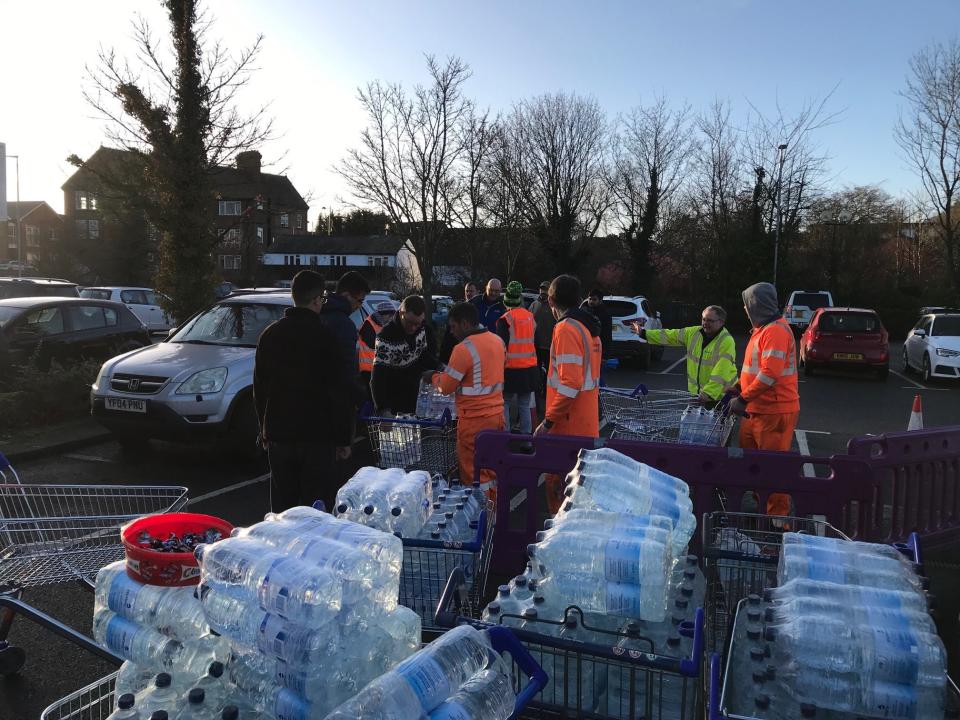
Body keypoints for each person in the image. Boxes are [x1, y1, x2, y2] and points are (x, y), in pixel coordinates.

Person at [254, 270, 354, 513]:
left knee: (283, 511)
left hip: (280, 435)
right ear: (317, 300)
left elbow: (260, 387)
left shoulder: (270, 335)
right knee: (315, 510)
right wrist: (343, 438)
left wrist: (263, 428)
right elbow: (340, 391)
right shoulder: (327, 337)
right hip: (318, 438)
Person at [728, 282, 800, 517]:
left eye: (747, 306)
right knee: (755, 463)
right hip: (757, 410)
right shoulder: (763, 330)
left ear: (755, 306)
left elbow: (770, 373)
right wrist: (739, 387)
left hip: (773, 411)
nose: (745, 310)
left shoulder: (775, 331)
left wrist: (743, 398)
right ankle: (762, 508)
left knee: (772, 468)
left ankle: (776, 521)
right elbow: (757, 368)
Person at [533, 275, 603, 514]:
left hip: (566, 427)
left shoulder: (565, 329)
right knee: (579, 494)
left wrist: (548, 421)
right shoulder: (589, 328)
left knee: (560, 494)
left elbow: (569, 384)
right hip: (585, 423)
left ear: (551, 300)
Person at [427, 301, 505, 499]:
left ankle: (481, 516)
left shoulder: (463, 349)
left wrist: (433, 377)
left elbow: (445, 387)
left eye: (452, 326)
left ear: (464, 323)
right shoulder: (497, 341)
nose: (451, 331)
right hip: (497, 416)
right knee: (491, 468)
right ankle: (495, 511)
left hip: (474, 421)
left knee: (474, 474)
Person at [631, 305, 738, 405]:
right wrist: (644, 333)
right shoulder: (693, 333)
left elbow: (721, 370)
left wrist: (709, 393)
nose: (705, 323)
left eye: (710, 320)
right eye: (703, 319)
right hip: (699, 396)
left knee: (714, 424)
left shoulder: (726, 341)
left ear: (721, 322)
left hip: (721, 397)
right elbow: (670, 335)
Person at [370, 295, 440, 414]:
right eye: (410, 322)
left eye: (417, 323)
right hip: (394, 400)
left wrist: (440, 368)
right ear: (401, 313)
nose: (413, 328)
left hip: (416, 397)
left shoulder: (422, 328)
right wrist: (383, 408)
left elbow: (422, 355)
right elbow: (378, 377)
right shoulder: (386, 336)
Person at [319, 270, 370, 404]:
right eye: (360, 300)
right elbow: (346, 372)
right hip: (336, 404)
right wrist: (362, 398)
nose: (359, 306)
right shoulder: (344, 325)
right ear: (347, 295)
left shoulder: (319, 314)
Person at [496, 281, 539, 434]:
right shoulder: (530, 317)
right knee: (524, 405)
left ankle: (505, 436)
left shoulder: (505, 319)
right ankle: (526, 440)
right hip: (529, 368)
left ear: (506, 301)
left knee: (505, 403)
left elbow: (501, 347)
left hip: (510, 369)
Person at [528, 280, 556, 417]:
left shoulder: (553, 305)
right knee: (536, 374)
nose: (543, 291)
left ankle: (547, 397)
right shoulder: (534, 305)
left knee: (550, 375)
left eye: (545, 289)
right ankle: (538, 399)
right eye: (541, 289)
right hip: (536, 346)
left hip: (550, 346)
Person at [357, 300, 398, 394]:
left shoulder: (385, 325)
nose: (391, 318)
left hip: (380, 368)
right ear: (382, 314)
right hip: (368, 369)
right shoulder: (369, 325)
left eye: (393, 315)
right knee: (372, 398)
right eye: (390, 315)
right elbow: (374, 344)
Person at [585, 289, 613, 356]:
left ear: (600, 301)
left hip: (598, 348)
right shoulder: (584, 311)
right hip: (586, 347)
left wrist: (605, 352)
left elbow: (607, 334)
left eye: (594, 299)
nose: (591, 301)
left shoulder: (604, 314)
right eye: (590, 299)